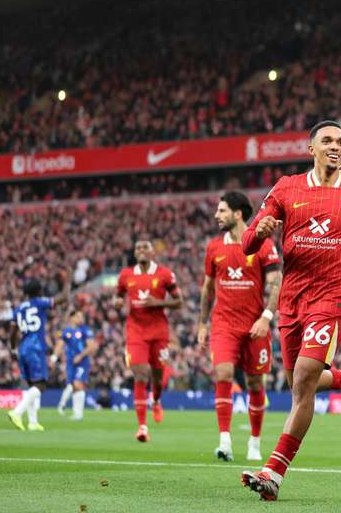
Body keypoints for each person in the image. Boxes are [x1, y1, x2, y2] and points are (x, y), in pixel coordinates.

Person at [240, 120, 341, 501]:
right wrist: (260, 230)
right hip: (292, 301)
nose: (336, 146)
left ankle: (274, 472)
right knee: (301, 381)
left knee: (306, 375)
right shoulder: (286, 187)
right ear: (310, 148)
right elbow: (247, 242)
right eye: (327, 140)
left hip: (334, 297)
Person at [199, 190, 282, 462]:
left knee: (255, 382)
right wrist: (202, 324)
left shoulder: (264, 245)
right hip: (223, 323)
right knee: (223, 374)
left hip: (255, 325)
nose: (216, 216)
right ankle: (224, 441)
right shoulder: (213, 247)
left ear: (237, 214)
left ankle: (255, 443)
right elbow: (208, 288)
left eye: (222, 211)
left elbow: (276, 283)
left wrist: (266, 317)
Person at [112, 239, 184, 442]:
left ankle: (157, 399)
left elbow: (179, 302)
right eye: (138, 248)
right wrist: (117, 302)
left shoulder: (165, 274)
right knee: (140, 375)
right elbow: (117, 296)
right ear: (135, 253)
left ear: (153, 253)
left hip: (159, 333)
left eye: (145, 247)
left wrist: (158, 302)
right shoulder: (125, 275)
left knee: (157, 376)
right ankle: (142, 427)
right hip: (135, 333)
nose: (141, 250)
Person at [7, 277, 70, 431]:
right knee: (40, 386)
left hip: (23, 348)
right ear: (38, 291)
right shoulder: (39, 302)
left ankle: (33, 422)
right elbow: (62, 300)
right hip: (35, 347)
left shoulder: (19, 308)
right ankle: (17, 412)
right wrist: (68, 283)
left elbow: (13, 332)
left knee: (31, 386)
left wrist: (14, 349)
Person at [54, 308, 97, 421]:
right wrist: (54, 358)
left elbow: (91, 346)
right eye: (78, 316)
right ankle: (75, 412)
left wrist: (81, 356)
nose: (81, 318)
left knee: (78, 384)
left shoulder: (85, 330)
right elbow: (60, 345)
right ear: (72, 318)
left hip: (82, 362)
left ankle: (78, 414)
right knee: (72, 386)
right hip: (70, 363)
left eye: (81, 316)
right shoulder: (67, 332)